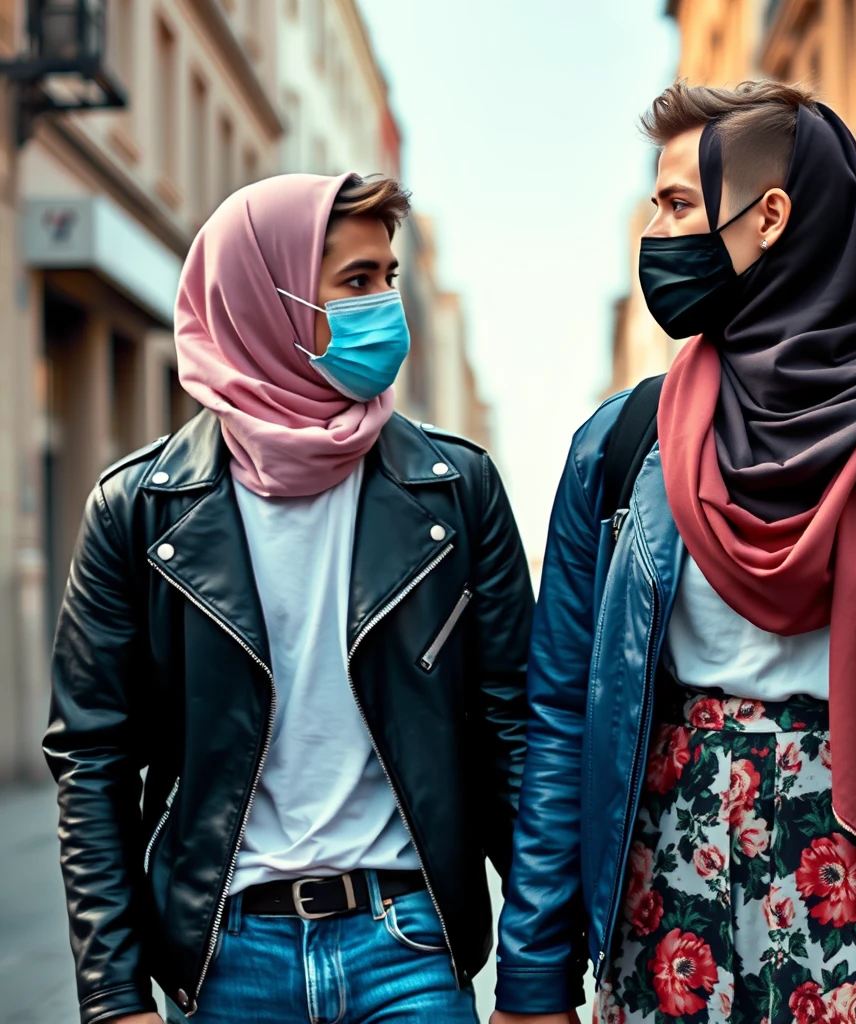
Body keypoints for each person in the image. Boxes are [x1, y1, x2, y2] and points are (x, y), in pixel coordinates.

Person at [490, 81, 856, 1024]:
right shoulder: (625, 445)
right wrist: (532, 978)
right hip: (669, 882)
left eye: (679, 204)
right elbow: (566, 709)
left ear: (770, 216)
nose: (654, 232)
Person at [45, 172, 534, 1024]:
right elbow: (93, 759)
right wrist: (113, 995)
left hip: (409, 944)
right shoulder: (138, 509)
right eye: (355, 282)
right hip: (226, 955)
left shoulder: (456, 490)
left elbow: (516, 734)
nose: (386, 306)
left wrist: (537, 977)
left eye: (388, 277)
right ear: (257, 301)